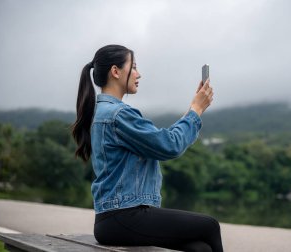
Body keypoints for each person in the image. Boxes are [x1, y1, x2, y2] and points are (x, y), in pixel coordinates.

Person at [72, 44, 223, 252]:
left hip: (114, 218)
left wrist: (193, 110)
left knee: (200, 248)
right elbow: (169, 145)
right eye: (133, 67)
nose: (138, 74)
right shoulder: (118, 115)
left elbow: (163, 141)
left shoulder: (105, 112)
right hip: (124, 216)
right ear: (115, 72)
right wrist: (196, 110)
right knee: (210, 226)